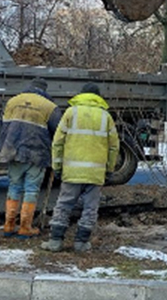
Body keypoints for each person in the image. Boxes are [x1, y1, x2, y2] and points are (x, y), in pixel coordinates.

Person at [45, 83, 121, 253]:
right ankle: (81, 243)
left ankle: (56, 241)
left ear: (81, 94)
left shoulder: (71, 113)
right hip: (95, 173)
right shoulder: (105, 116)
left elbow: (58, 142)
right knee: (90, 208)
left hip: (72, 171)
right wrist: (109, 169)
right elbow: (113, 147)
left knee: (64, 205)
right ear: (98, 97)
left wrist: (57, 166)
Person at [0, 80, 61, 238]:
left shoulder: (12, 101)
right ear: (44, 90)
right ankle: (25, 227)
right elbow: (58, 133)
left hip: (13, 151)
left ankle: (8, 225)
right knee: (31, 189)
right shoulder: (49, 106)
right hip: (36, 154)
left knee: (14, 186)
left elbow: (1, 126)